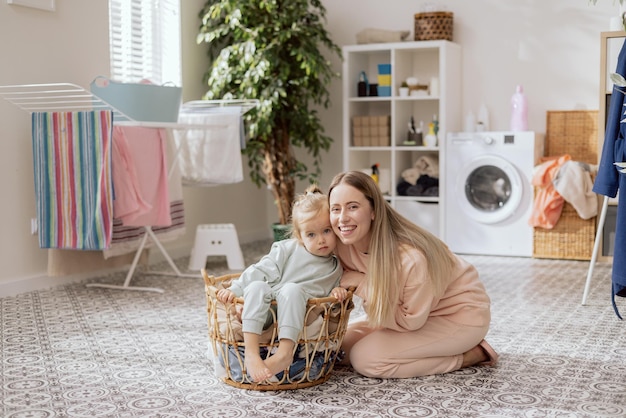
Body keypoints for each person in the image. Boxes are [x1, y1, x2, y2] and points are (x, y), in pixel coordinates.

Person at [327, 171, 498, 378]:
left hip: (458, 316)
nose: (342, 218)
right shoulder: (344, 244)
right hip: (401, 313)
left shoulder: (410, 258)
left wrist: (362, 283)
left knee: (366, 359)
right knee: (333, 349)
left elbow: (410, 322)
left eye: (353, 207)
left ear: (373, 210)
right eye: (335, 209)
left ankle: (471, 355)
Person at [217, 185, 347, 382]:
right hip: (268, 311)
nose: (321, 240)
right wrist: (235, 289)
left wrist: (339, 291)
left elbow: (331, 299)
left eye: (326, 230)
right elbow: (259, 270)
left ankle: (284, 353)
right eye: (311, 234)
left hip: (296, 316)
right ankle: (251, 353)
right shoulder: (287, 249)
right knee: (257, 287)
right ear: (300, 236)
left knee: (293, 289)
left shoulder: (335, 267)